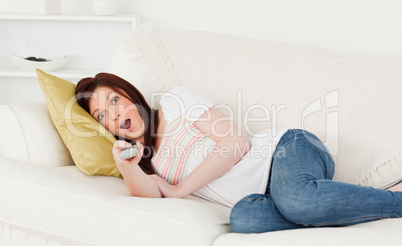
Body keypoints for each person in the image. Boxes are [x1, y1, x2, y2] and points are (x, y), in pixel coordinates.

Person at [75, 72, 402, 233]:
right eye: (102, 116)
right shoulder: (145, 162)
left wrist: (179, 189)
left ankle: (394, 199)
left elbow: (235, 143)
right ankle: (324, 204)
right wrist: (125, 164)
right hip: (263, 199)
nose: (115, 115)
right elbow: (149, 196)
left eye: (115, 100)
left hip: (286, 150)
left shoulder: (173, 103)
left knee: (297, 199)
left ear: (130, 94)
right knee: (243, 220)